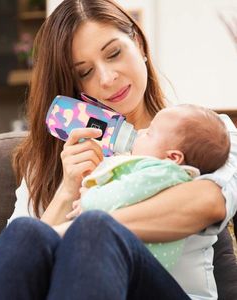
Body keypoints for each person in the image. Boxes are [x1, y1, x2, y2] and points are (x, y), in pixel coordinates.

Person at [0, 0, 237, 299]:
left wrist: (74, 229)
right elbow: (2, 270)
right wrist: (68, 190)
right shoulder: (53, 163)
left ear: (139, 43)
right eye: (84, 72)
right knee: (26, 233)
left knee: (95, 229)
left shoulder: (211, 132)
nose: (107, 79)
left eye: (114, 53)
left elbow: (211, 202)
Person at [66, 104, 230, 271]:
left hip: (129, 268)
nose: (141, 132)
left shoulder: (161, 173)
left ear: (172, 157)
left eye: (149, 133)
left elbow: (119, 194)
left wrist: (88, 197)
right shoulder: (173, 177)